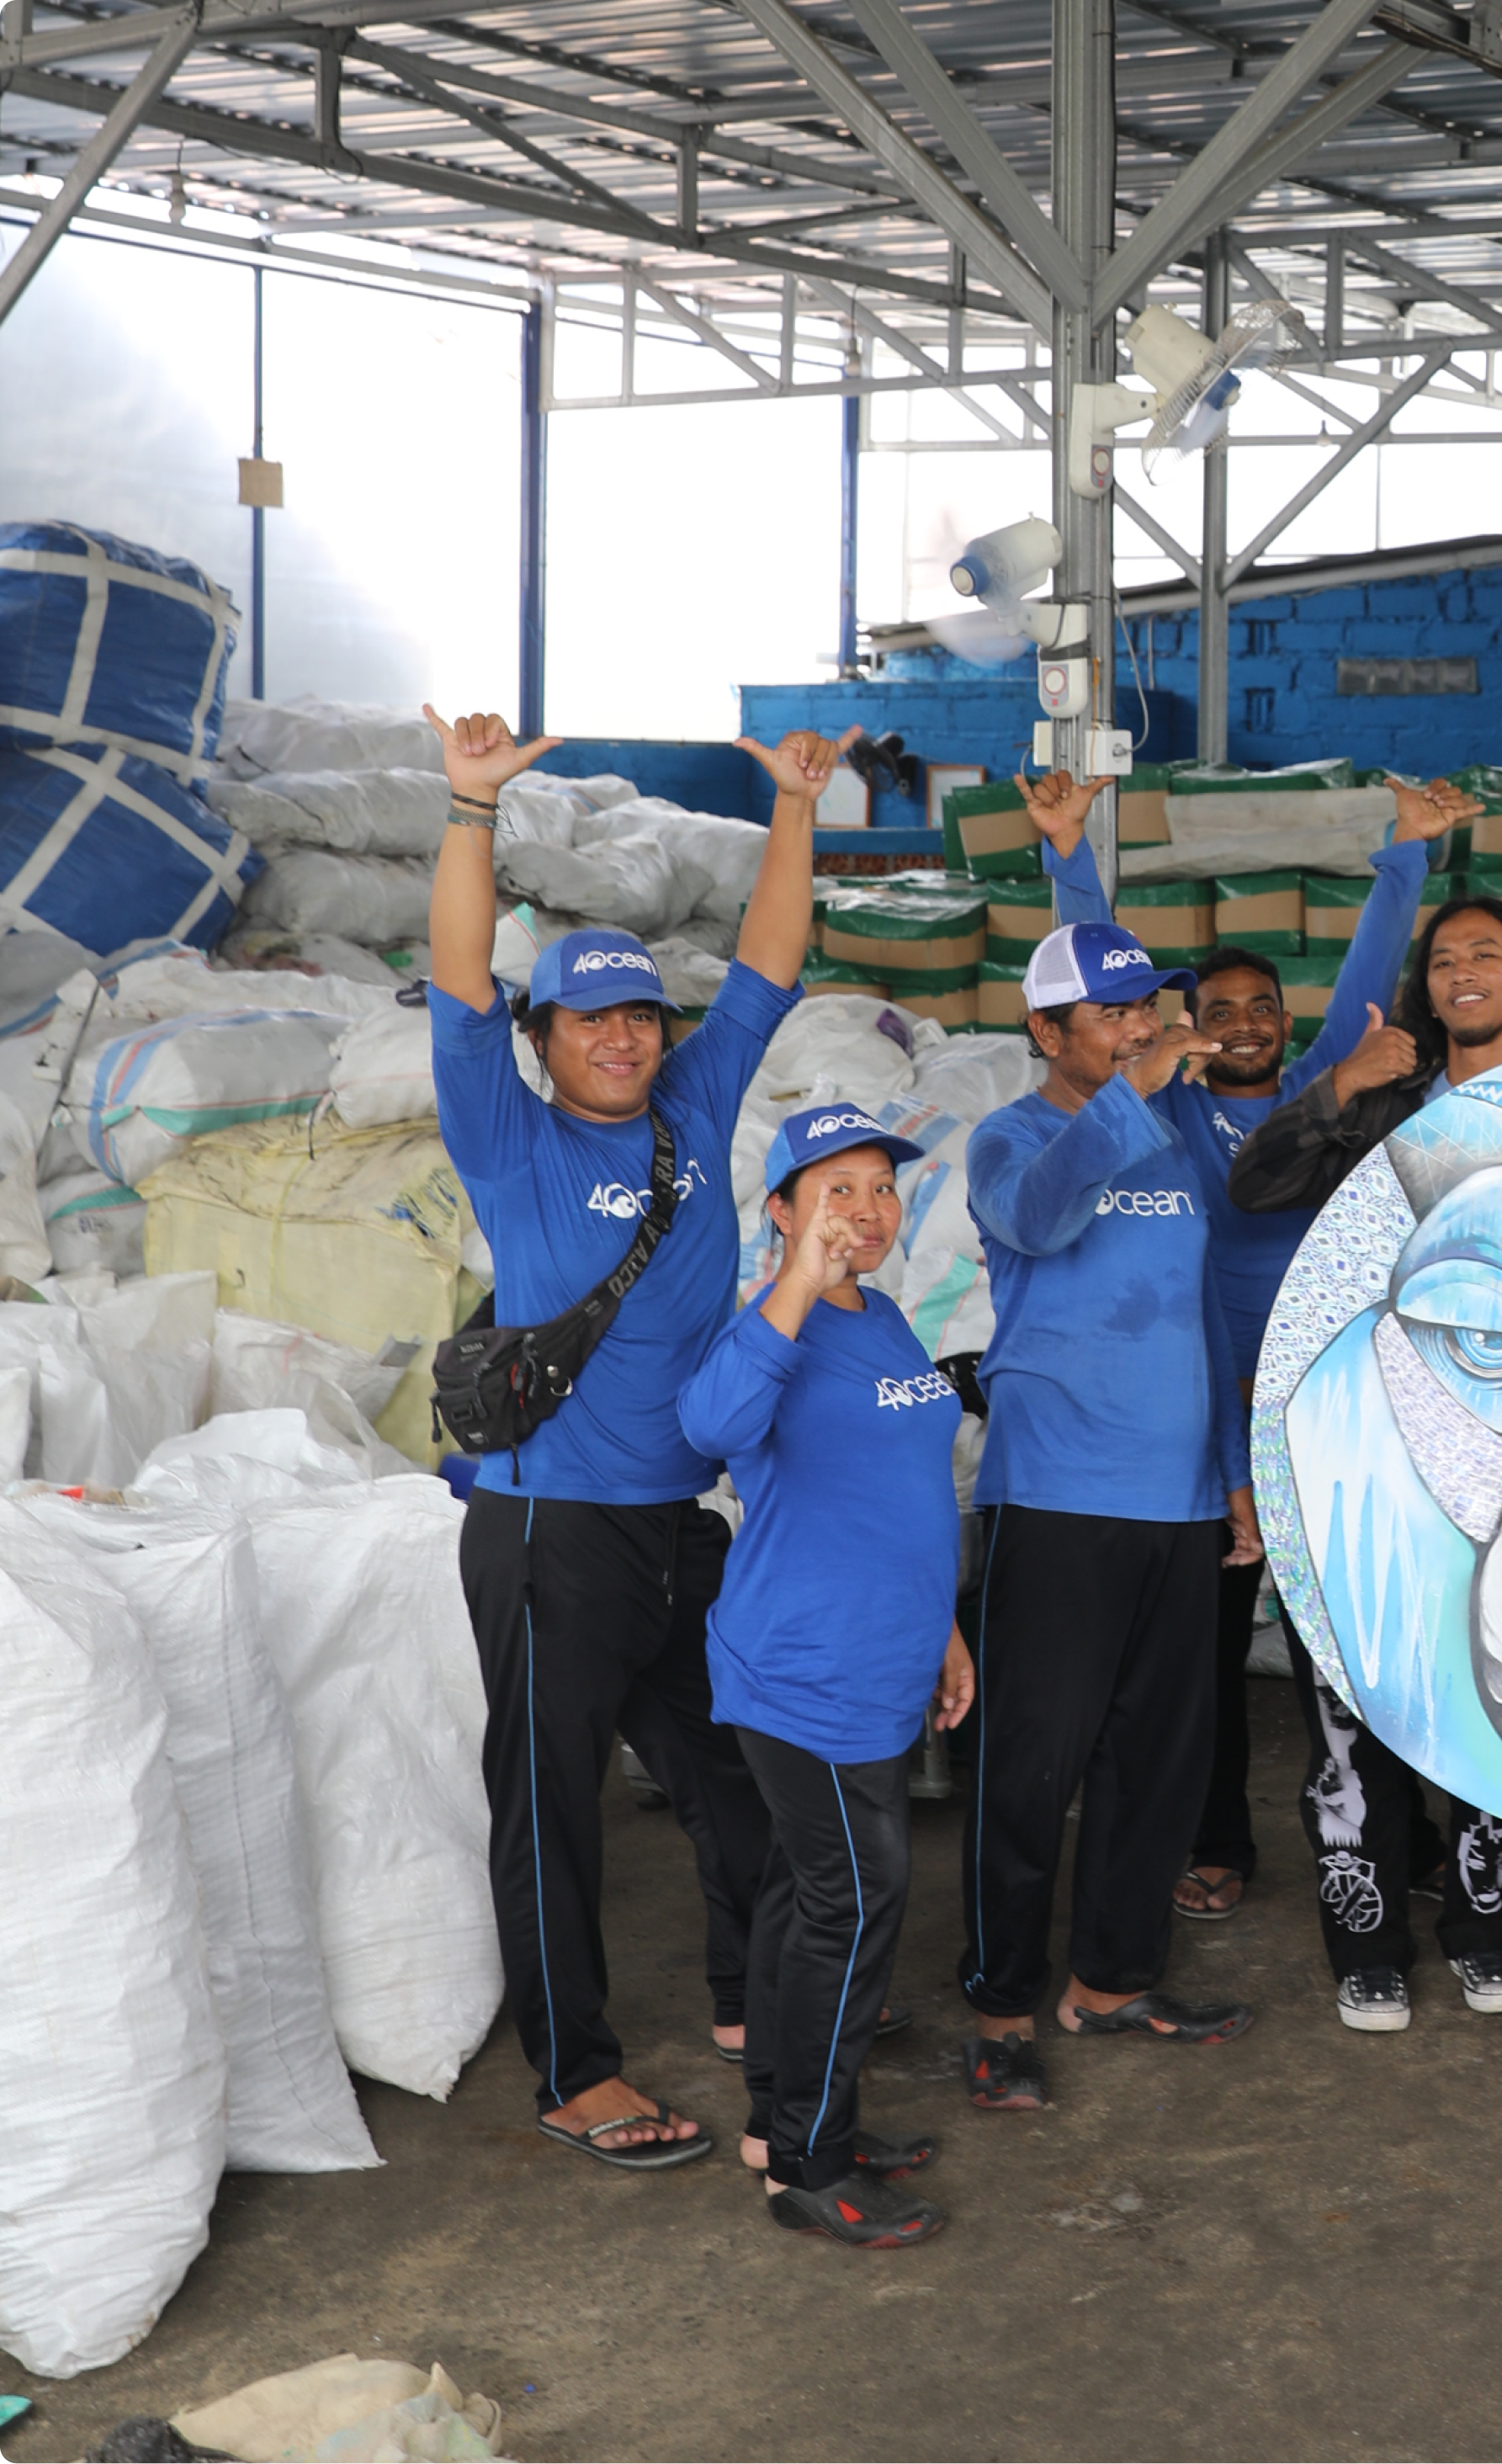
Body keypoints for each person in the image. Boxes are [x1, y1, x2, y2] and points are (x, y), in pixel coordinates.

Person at [422, 703, 824, 2169]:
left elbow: (772, 962)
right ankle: (575, 2070)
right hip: (547, 1532)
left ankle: (744, 1991)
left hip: (677, 1523)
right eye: (588, 1016)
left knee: (734, 1766)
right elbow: (458, 970)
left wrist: (790, 808)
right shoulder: (510, 1133)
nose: (619, 1036)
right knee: (553, 1808)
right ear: (542, 1040)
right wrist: (470, 810)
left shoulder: (689, 1112)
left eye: (640, 1014)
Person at [1024, 764, 1473, 1922]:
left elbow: (1373, 972)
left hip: (1332, 1403)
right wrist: (1070, 854)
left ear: (1286, 1023)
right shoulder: (1163, 1107)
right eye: (1212, 1013)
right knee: (1207, 1653)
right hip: (1209, 1409)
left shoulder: (1326, 1087)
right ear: (1183, 1031)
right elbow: (1099, 988)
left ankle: (1407, 1833)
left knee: (1367, 1635)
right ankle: (1215, 1839)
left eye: (1257, 1009)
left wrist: (1405, 849)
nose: (1238, 1025)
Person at [1229, 892, 1502, 2030]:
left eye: (1489, 953)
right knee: (1351, 1700)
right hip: (1363, 1447)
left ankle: (1485, 1929)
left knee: (1498, 1699)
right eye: (1445, 959)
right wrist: (1342, 1083)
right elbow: (1256, 1187)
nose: (1464, 972)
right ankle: (1366, 1937)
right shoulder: (1384, 1092)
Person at [957, 918, 1262, 2112]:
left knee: (1159, 1763)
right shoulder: (1012, 1138)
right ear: (1046, 1033)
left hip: (1179, 1502)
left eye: (1149, 1008)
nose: (1143, 1028)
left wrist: (1230, 1470)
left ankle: (1114, 1979)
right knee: (1031, 1769)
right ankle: (997, 2005)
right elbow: (1042, 1219)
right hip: (1060, 1496)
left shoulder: (1174, 1147)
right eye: (1113, 1013)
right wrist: (1137, 1091)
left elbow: (1207, 1316)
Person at [677, 1104, 976, 2248]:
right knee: (852, 1906)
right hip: (805, 1671)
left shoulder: (888, 1316)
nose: (864, 1209)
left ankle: (773, 2123)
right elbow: (710, 1427)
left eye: (880, 1189)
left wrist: (941, 1627)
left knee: (806, 1897)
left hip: (884, 1657)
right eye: (835, 1191)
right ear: (786, 1214)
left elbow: (894, 1492)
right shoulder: (771, 1325)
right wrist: (795, 1283)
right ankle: (812, 2160)